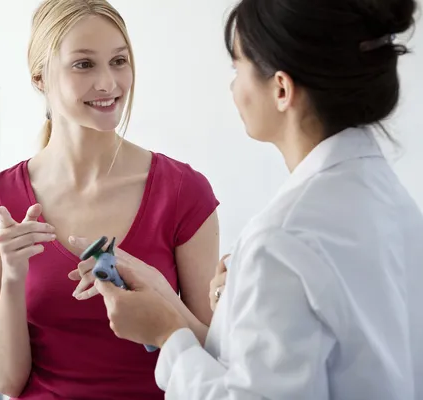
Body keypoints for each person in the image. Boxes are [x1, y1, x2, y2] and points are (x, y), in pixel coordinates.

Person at [91, 0, 423, 399]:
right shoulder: (390, 200)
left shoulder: (284, 238)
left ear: (281, 88)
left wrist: (167, 335)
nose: (233, 87)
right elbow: (265, 369)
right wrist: (190, 309)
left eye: (238, 68)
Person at [0, 0, 220, 399]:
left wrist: (159, 296)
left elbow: (214, 356)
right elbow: (7, 381)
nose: (108, 83)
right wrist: (13, 276)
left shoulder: (184, 192)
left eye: (119, 61)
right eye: (84, 65)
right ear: (40, 78)